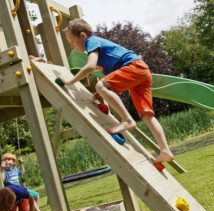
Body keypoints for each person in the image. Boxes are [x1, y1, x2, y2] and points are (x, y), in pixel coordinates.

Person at [58, 18, 174, 164]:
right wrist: (102, 93)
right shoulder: (100, 50)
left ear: (82, 36)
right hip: (141, 70)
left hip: (133, 67)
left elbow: (90, 67)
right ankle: (165, 151)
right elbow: (112, 79)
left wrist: (70, 81)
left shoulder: (91, 42)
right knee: (146, 114)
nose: (73, 47)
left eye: (72, 42)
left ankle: (127, 120)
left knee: (100, 85)